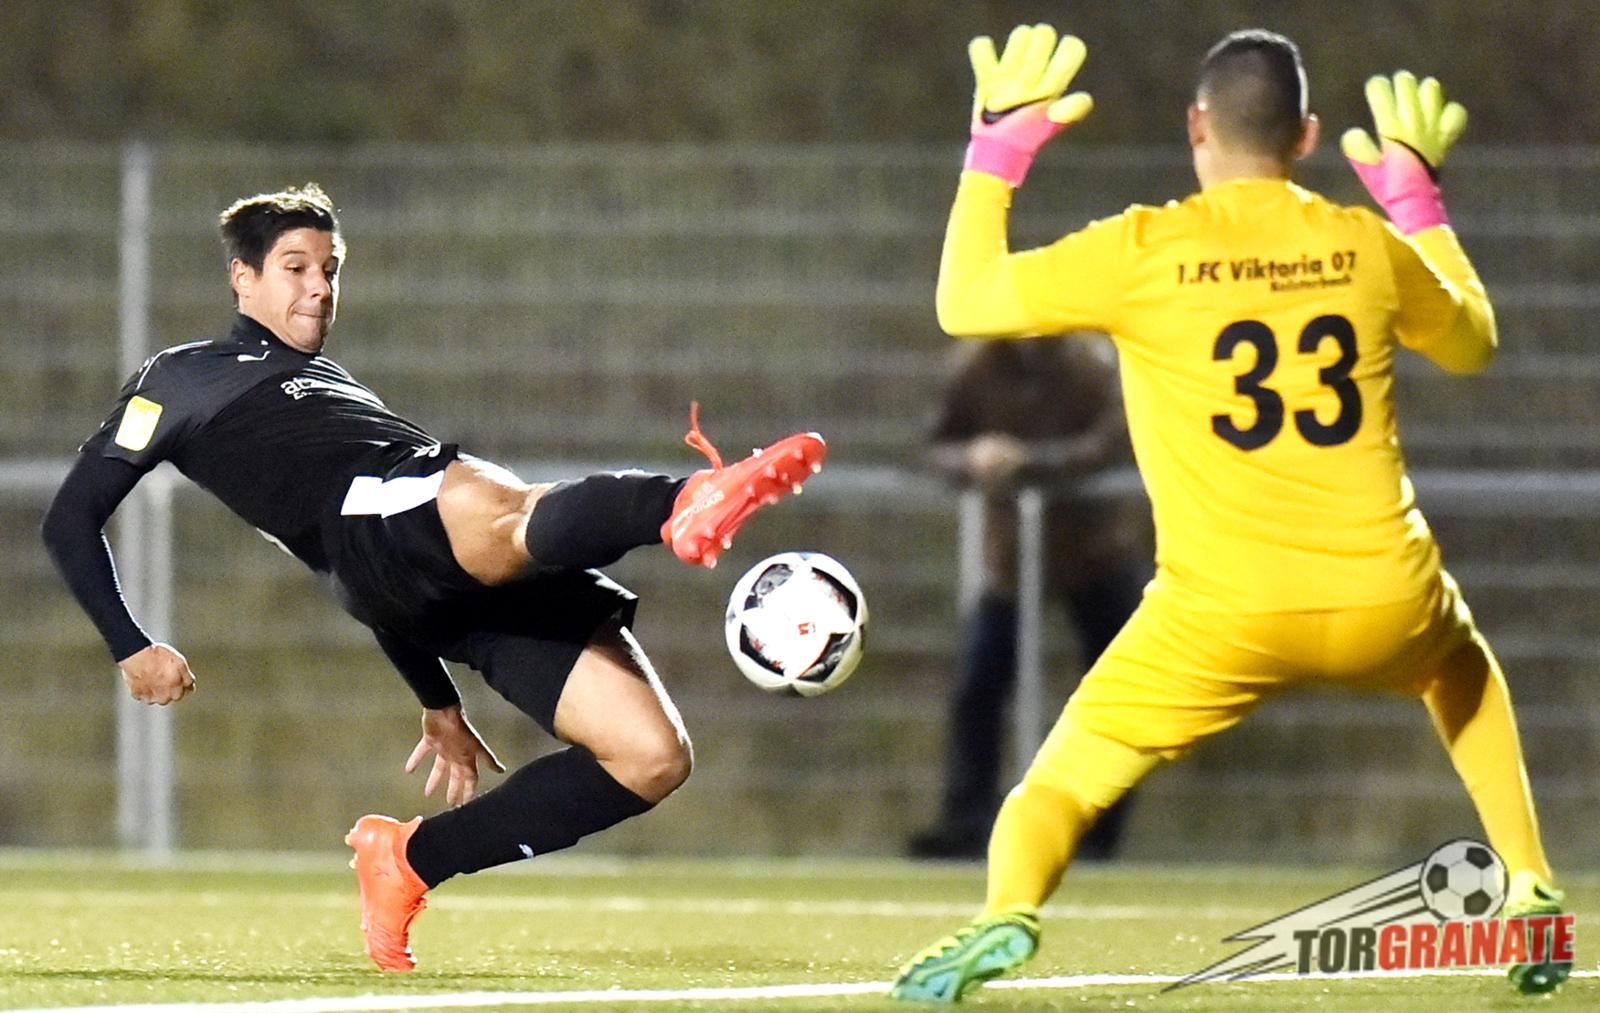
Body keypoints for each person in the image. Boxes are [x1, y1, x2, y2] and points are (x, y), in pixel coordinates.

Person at [889, 25, 1569, 1001]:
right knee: (1459, 664)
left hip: (1220, 614)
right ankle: (1528, 880)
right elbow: (1473, 341)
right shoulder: (1361, 244)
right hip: (1383, 594)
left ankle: (1007, 910)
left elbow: (964, 301)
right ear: (1307, 136)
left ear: (1195, 125)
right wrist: (1418, 203)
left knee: (1060, 781)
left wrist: (995, 154)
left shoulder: (1143, 249)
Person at [39, 183, 826, 973]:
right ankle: (685, 501)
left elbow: (380, 570)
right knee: (492, 500)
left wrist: (438, 701)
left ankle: (411, 860)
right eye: (295, 267)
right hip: (386, 521)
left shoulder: (336, 382)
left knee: (649, 755)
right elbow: (70, 518)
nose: (319, 287)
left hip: (417, 567)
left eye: (330, 269)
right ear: (242, 277)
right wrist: (129, 643)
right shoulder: (180, 378)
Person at [907, 335, 1146, 861]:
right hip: (1012, 557)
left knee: (1116, 691)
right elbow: (934, 447)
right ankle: (967, 824)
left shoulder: (1090, 363)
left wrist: (1029, 462)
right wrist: (971, 458)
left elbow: (1111, 441)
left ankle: (1096, 832)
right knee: (978, 686)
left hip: (1095, 552)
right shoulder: (977, 365)